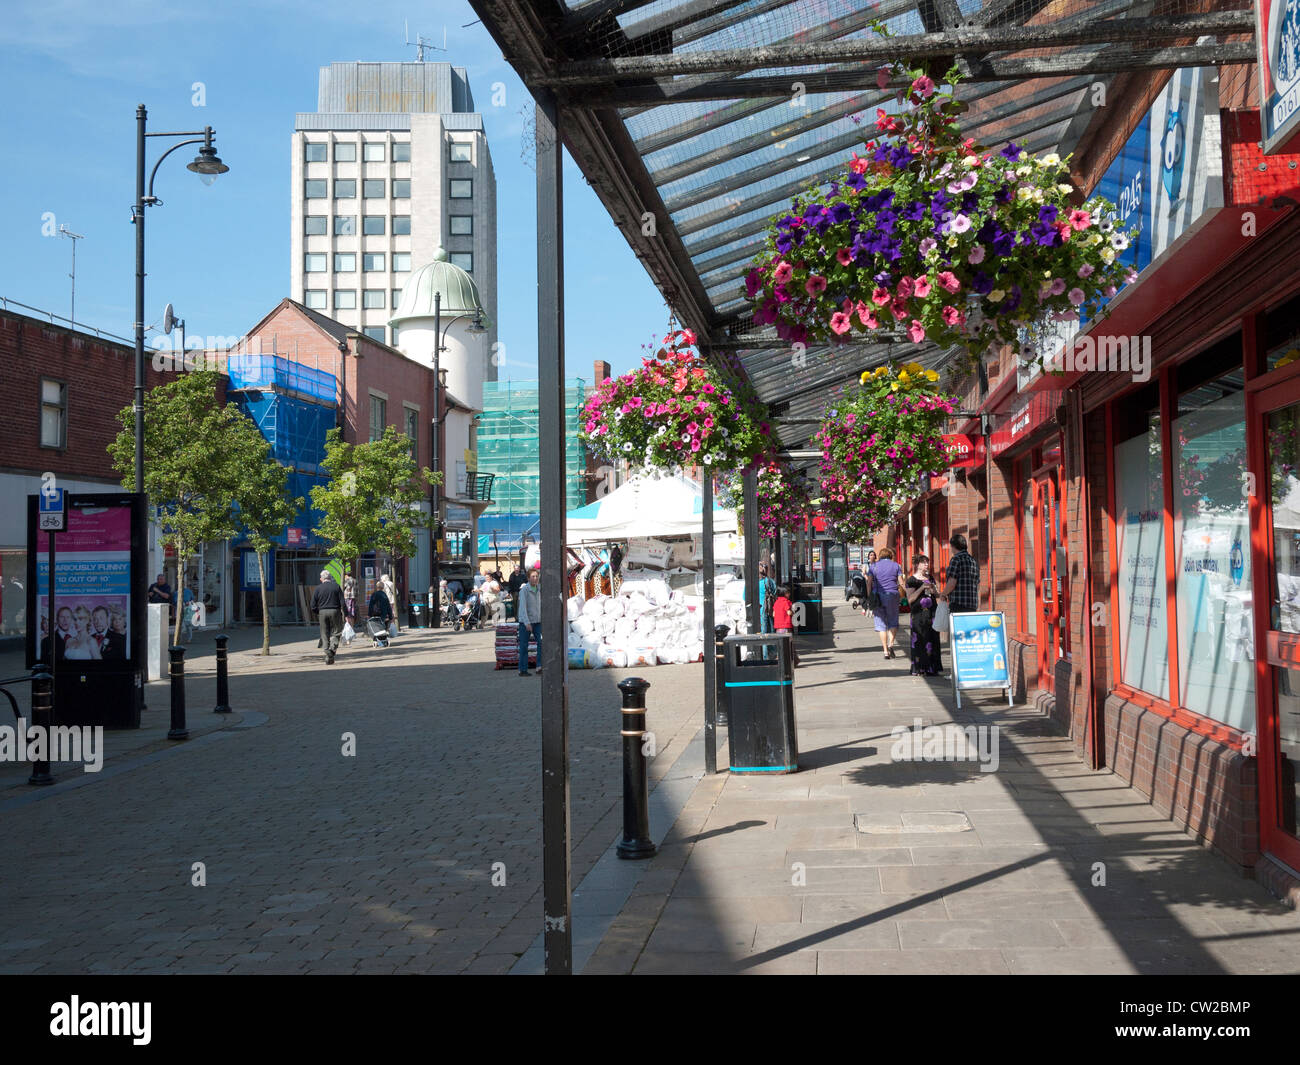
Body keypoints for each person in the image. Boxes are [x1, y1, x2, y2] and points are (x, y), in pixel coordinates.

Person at [905, 554, 943, 677]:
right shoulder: (911, 580)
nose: (927, 565)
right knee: (920, 640)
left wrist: (933, 591)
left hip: (931, 613)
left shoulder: (930, 577)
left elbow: (937, 595)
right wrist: (921, 587)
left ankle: (932, 668)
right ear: (917, 565)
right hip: (918, 615)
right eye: (924, 562)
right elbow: (910, 599)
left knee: (932, 639)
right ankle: (919, 667)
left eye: (927, 562)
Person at [868, 547, 903, 658]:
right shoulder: (896, 565)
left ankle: (885, 651)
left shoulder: (873, 566)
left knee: (881, 624)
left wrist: (869, 596)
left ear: (881, 555)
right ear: (890, 556)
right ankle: (891, 644)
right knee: (893, 621)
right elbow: (901, 582)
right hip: (892, 595)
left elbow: (869, 583)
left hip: (877, 596)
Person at [310, 570, 345, 665]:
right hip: (335, 611)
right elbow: (342, 602)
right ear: (330, 578)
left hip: (322, 612)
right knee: (337, 632)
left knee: (324, 633)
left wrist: (318, 612)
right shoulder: (336, 586)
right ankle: (332, 650)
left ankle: (326, 651)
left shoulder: (318, 588)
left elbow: (312, 605)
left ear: (322, 579)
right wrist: (345, 613)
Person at [943, 532, 980, 614]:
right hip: (972, 604)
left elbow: (952, 583)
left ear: (953, 546)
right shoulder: (973, 560)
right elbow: (977, 582)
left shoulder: (956, 559)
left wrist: (943, 594)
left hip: (958, 603)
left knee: (958, 627)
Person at [516, 566, 541, 676]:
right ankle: (523, 669)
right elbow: (523, 608)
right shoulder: (524, 590)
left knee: (542, 642)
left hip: (538, 621)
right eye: (533, 576)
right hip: (526, 622)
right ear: (528, 578)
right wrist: (526, 623)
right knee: (524, 646)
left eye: (536, 576)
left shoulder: (539, 589)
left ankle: (539, 666)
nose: (535, 578)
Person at [772, 584, 800, 667]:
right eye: (788, 593)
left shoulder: (776, 602)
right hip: (786, 626)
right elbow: (789, 612)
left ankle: (779, 660)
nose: (789, 594)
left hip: (778, 627)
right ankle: (793, 661)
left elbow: (774, 614)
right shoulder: (786, 602)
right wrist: (793, 612)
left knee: (781, 644)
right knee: (789, 644)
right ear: (784, 593)